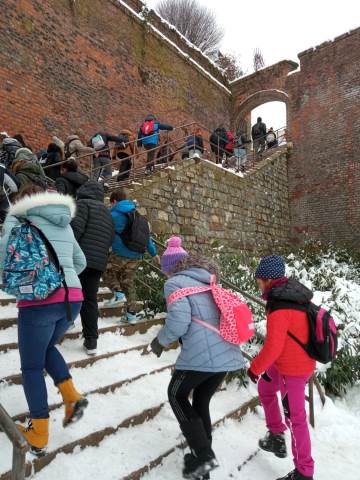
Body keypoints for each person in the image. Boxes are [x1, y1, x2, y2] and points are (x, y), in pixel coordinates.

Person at [0, 184, 88, 455]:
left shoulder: (18, 219)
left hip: (40, 301)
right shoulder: (64, 222)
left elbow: (4, 258)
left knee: (31, 368)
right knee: (47, 348)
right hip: (73, 299)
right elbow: (80, 261)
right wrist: (65, 277)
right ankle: (71, 396)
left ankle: (38, 432)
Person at [150, 239, 246, 479]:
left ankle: (203, 456)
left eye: (164, 269)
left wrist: (160, 341)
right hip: (226, 353)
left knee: (176, 394)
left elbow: (179, 322)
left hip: (203, 357)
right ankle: (203, 454)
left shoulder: (174, 283)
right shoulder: (208, 280)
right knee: (201, 399)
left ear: (170, 267)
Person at [247, 255, 316, 480]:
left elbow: (273, 346)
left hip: (293, 370)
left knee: (296, 419)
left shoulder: (279, 305)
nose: (258, 284)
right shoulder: (289, 294)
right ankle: (276, 435)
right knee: (266, 389)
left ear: (268, 279)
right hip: (285, 362)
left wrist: (254, 368)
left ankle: (304, 473)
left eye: (259, 280)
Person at [71, 180, 114, 356]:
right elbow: (110, 238)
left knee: (69, 291)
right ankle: (91, 340)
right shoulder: (107, 213)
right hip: (98, 263)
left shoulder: (82, 205)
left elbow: (75, 231)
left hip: (79, 259)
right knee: (89, 299)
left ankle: (64, 323)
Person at [103, 188, 159, 322]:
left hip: (120, 253)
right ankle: (131, 315)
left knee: (105, 270)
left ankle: (117, 293)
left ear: (114, 201)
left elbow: (104, 233)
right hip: (136, 256)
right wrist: (154, 254)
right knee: (128, 282)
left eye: (111, 204)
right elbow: (146, 237)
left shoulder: (114, 215)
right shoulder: (138, 215)